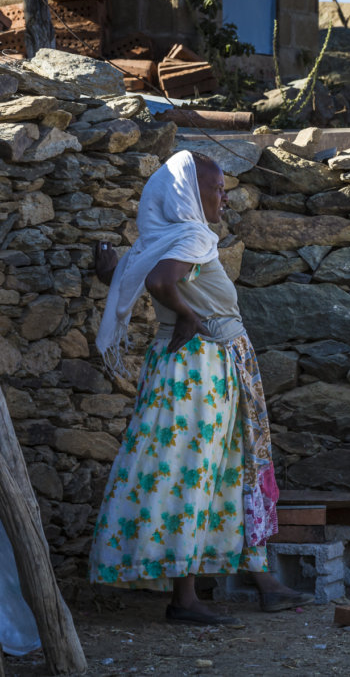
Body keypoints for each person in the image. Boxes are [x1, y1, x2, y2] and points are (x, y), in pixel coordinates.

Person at [89, 150, 311, 625]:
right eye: (216, 189)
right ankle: (185, 598)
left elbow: (142, 276)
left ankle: (258, 577)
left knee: (221, 470)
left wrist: (112, 274)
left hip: (199, 369)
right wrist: (189, 317)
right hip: (200, 371)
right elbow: (160, 280)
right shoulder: (190, 235)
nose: (224, 199)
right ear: (190, 193)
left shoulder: (163, 237)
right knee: (195, 471)